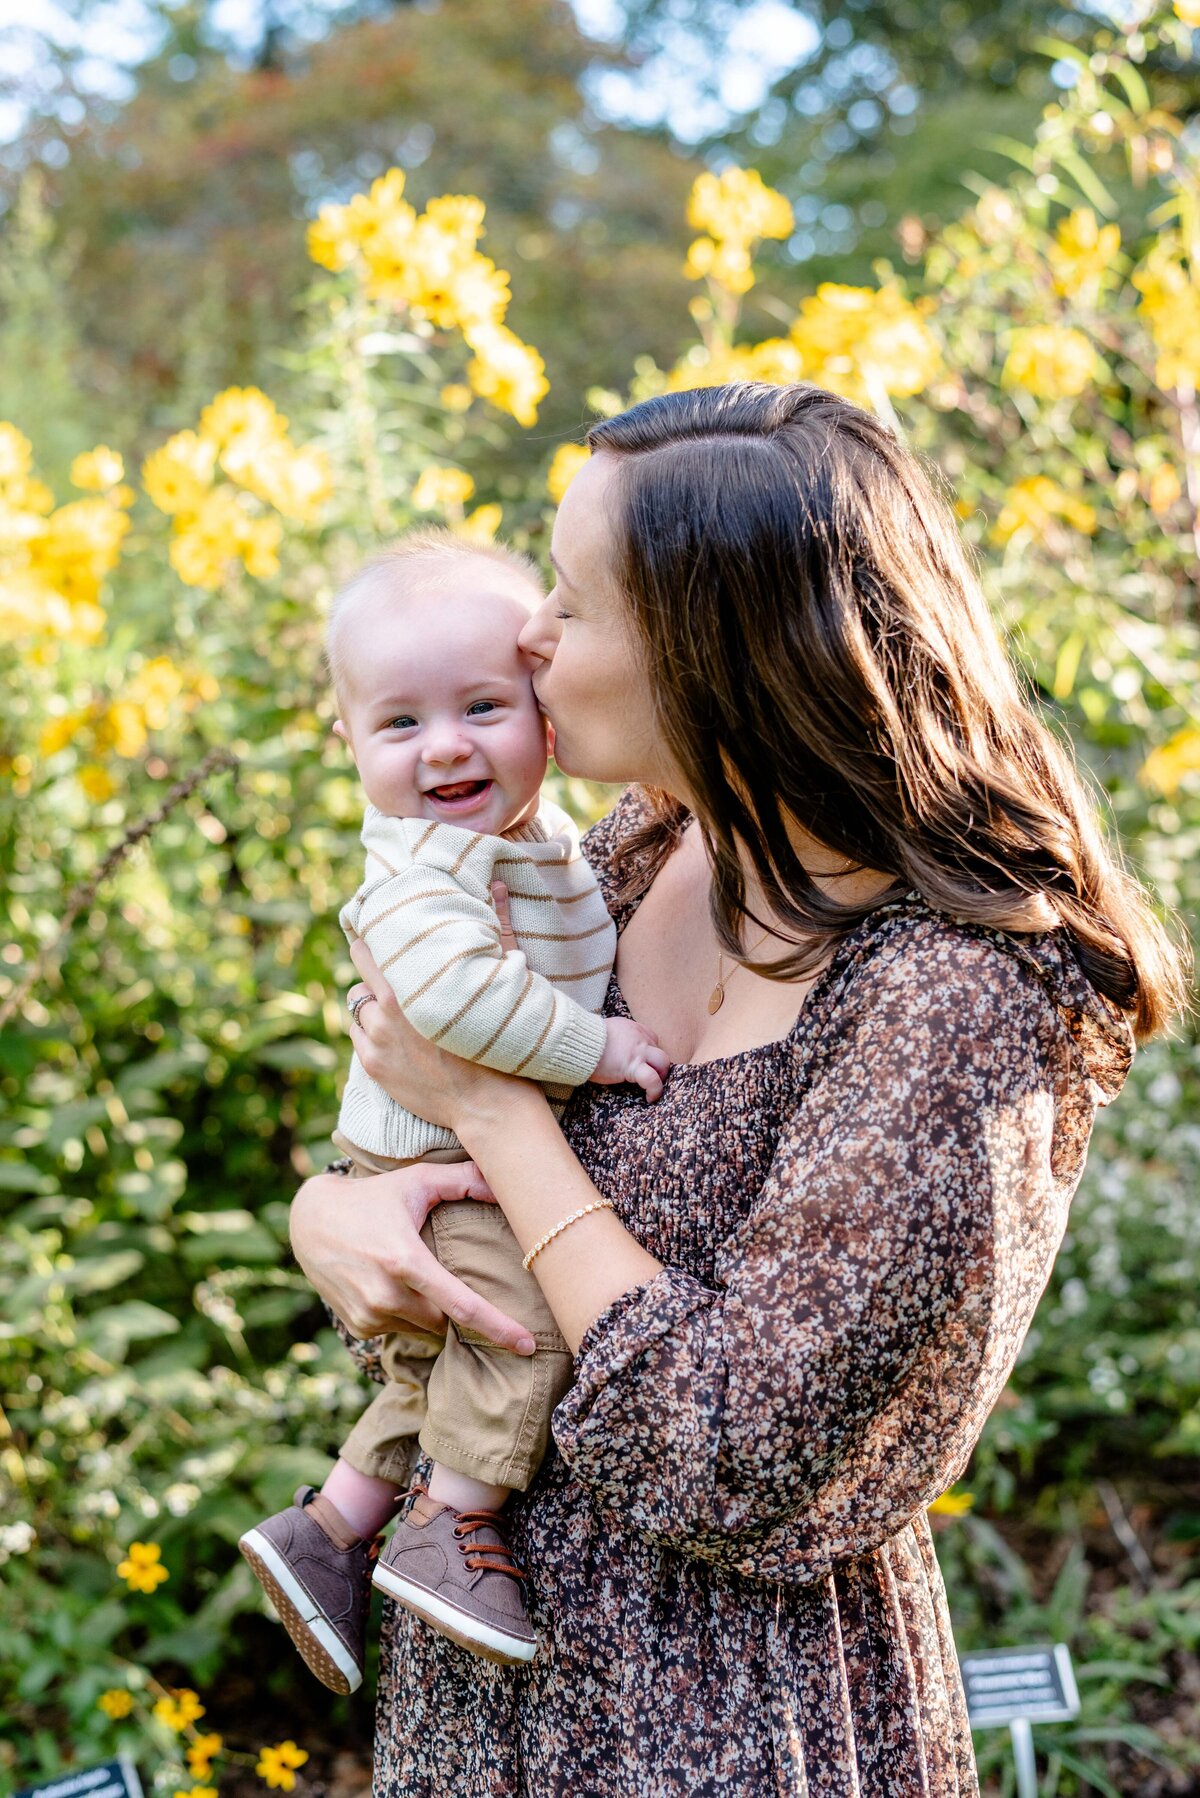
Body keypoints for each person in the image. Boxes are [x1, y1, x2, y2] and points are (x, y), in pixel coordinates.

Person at [289, 383, 1186, 1797]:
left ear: (715, 651)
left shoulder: (953, 994)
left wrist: (500, 1119)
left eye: (572, 603)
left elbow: (734, 1454)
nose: (528, 636)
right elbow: (444, 1206)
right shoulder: (644, 847)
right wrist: (329, 1216)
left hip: (733, 1713)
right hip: (482, 1675)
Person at [239, 529, 669, 1694]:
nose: (444, 746)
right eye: (399, 722)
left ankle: (330, 1528)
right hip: (434, 1151)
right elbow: (454, 1004)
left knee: (432, 1368)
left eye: (483, 706)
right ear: (348, 742)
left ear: (543, 711)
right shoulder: (428, 870)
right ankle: (450, 1524)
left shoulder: (537, 840)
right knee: (519, 1326)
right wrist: (595, 1047)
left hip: (439, 1143)